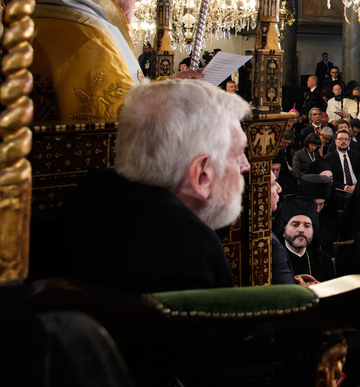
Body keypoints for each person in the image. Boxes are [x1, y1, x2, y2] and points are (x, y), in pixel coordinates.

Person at [46, 79, 249, 292]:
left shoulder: (87, 200)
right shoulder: (187, 252)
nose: (245, 166)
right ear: (202, 175)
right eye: (237, 155)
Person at [274, 196, 335, 281]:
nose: (301, 230)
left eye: (307, 226)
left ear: (313, 231)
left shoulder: (323, 259)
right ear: (283, 231)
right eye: (295, 225)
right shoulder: (273, 259)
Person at [316, 128, 360, 192]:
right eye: (340, 139)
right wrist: (346, 187)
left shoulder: (356, 156)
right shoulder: (329, 158)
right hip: (340, 190)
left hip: (357, 187)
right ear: (335, 141)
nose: (343, 141)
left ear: (349, 142)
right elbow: (332, 180)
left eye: (346, 139)